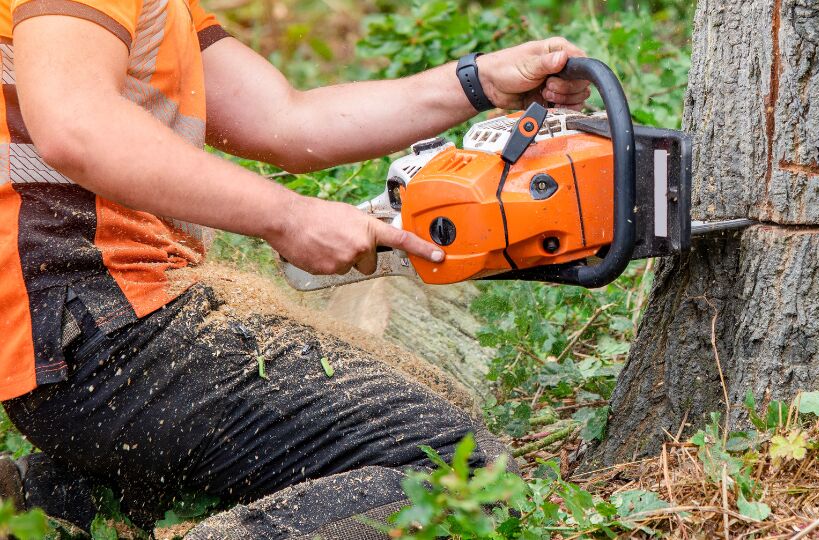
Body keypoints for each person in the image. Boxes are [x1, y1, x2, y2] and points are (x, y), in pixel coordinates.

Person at [0, 0, 590, 536]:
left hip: (97, 334)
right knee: (456, 470)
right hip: (96, 330)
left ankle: (57, 499)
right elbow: (74, 123)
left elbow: (289, 121)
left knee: (430, 412)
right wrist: (287, 217)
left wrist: (480, 81)